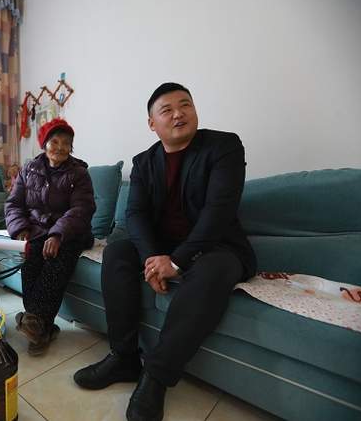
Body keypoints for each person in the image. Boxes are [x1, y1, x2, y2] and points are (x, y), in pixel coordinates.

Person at [73, 83, 256, 421]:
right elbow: (136, 214)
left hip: (217, 247)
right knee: (116, 252)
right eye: (167, 110)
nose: (178, 114)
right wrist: (151, 260)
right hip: (164, 247)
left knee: (214, 268)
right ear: (152, 123)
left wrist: (176, 262)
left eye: (185, 105)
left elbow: (219, 211)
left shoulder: (224, 147)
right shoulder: (144, 162)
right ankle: (124, 357)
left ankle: (156, 376)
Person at [5, 118, 96, 356]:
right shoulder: (29, 169)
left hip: (71, 233)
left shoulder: (79, 173)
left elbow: (82, 209)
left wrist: (57, 234)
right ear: (44, 144)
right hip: (37, 231)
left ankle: (33, 321)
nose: (60, 147)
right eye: (54, 141)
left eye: (66, 143)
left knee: (56, 259)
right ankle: (41, 328)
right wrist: (20, 229)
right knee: (31, 258)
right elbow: (14, 203)